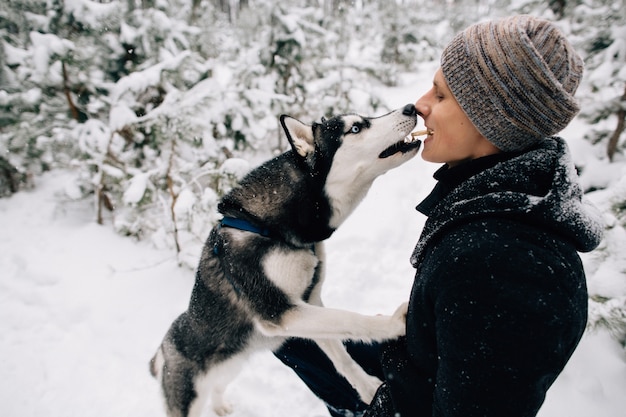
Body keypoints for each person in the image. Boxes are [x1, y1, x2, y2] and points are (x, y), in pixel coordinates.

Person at [275, 14, 604, 417]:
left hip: (396, 401)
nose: (420, 105)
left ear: (493, 120)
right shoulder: (497, 206)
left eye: (442, 95)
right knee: (283, 331)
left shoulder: (505, 264)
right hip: (410, 371)